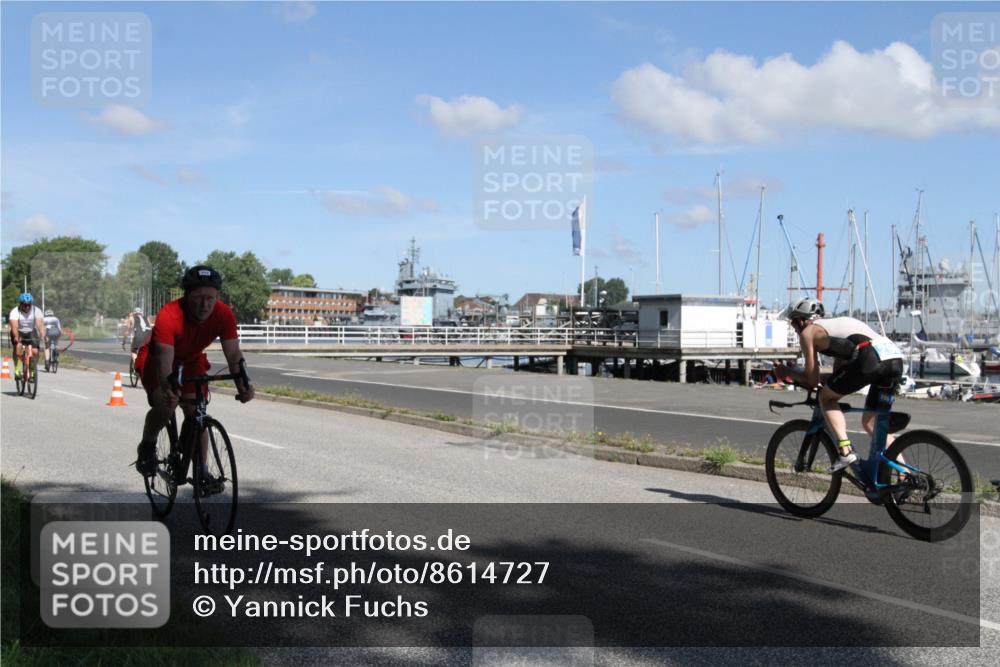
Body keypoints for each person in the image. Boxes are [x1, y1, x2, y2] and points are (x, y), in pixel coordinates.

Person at [134, 266, 255, 482]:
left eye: (210, 298)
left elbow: (234, 354)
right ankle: (147, 444)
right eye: (197, 297)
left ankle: (202, 469)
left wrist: (243, 386)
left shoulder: (224, 314)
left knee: (197, 410)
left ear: (217, 296)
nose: (204, 305)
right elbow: (164, 359)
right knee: (167, 403)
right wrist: (168, 389)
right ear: (186, 295)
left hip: (191, 359)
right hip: (157, 359)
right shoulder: (170, 314)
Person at [772, 297, 905, 472]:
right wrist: (824, 380)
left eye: (794, 324)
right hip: (893, 358)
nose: (795, 329)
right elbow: (839, 374)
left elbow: (812, 380)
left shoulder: (808, 332)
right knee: (871, 423)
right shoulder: (836, 326)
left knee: (825, 398)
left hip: (869, 357)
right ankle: (905, 473)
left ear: (801, 320)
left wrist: (787, 372)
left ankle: (845, 450)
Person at [8, 293, 45, 378]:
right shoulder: (15, 311)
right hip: (18, 331)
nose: (27, 307)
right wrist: (16, 337)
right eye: (25, 305)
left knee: (35, 351)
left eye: (29, 305)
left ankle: (32, 369)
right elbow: (14, 326)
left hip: (31, 331)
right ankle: (17, 369)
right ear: (21, 304)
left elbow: (40, 325)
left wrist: (43, 335)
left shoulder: (37, 310)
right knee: (18, 349)